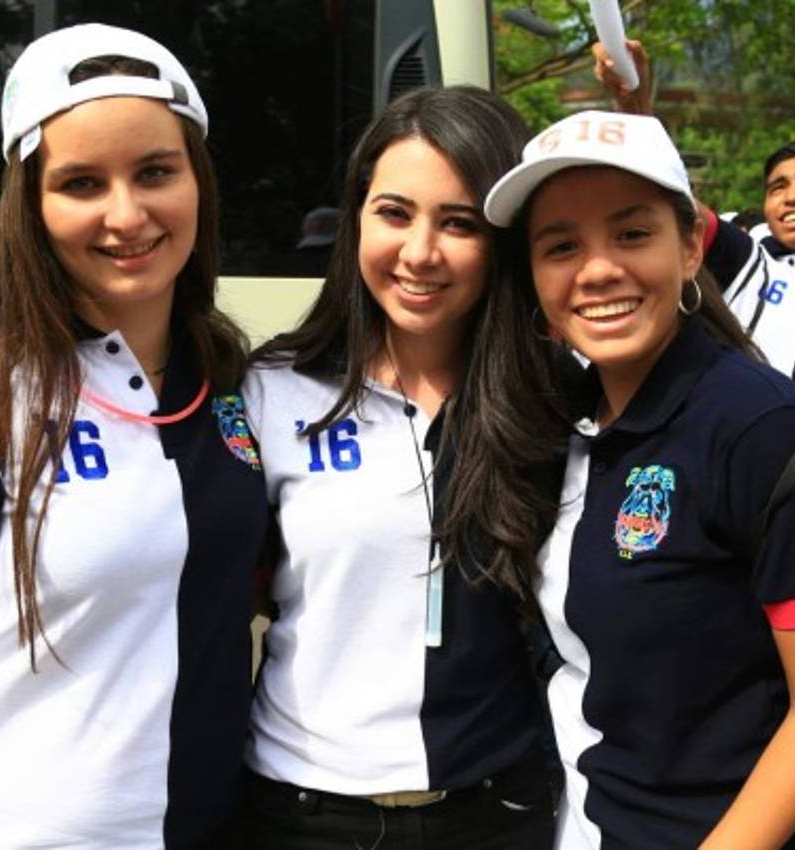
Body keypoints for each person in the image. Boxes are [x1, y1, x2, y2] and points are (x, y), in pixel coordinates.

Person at [0, 24, 268, 849]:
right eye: (80, 183)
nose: (126, 214)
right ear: (31, 205)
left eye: (155, 172)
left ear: (198, 181)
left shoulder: (226, 380)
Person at [483, 109, 795, 849]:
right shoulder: (575, 420)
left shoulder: (759, 428)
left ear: (689, 247)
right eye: (561, 245)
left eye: (631, 233)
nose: (597, 270)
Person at [241, 85, 564, 849]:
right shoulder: (270, 389)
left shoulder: (553, 399)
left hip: (497, 809)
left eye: (459, 223)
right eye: (394, 213)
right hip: (299, 814)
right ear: (356, 217)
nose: (420, 253)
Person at [593, 40, 795, 461]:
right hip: (698, 469)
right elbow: (673, 199)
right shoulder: (745, 261)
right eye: (778, 187)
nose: (792, 197)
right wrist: (636, 107)